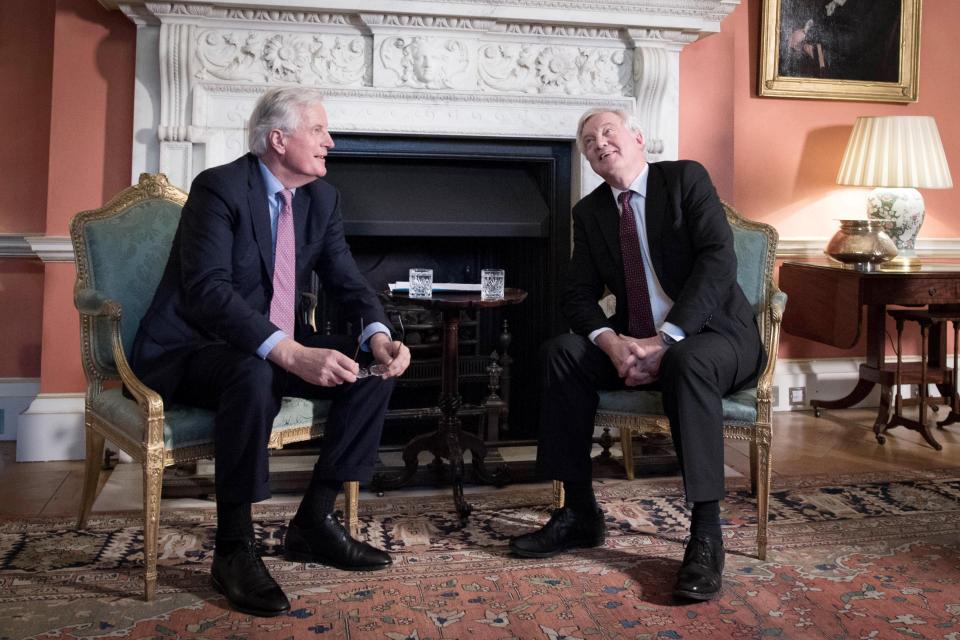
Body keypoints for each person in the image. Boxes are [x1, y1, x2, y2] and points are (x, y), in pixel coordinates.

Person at [131, 87, 411, 617]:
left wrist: (377, 333)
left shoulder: (321, 200)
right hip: (192, 349)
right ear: (278, 139)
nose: (331, 141)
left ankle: (314, 523)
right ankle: (234, 547)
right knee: (253, 373)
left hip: (264, 347)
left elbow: (348, 281)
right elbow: (208, 292)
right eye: (319, 130)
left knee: (373, 371)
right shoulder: (219, 189)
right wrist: (289, 351)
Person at [509, 108, 765, 602]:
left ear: (638, 137)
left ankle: (707, 536)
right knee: (561, 352)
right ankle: (580, 512)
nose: (599, 142)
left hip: (716, 336)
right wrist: (611, 341)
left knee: (687, 362)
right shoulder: (591, 212)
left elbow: (718, 262)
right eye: (588, 140)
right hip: (635, 341)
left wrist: (666, 339)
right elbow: (577, 294)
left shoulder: (685, 180)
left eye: (608, 131)